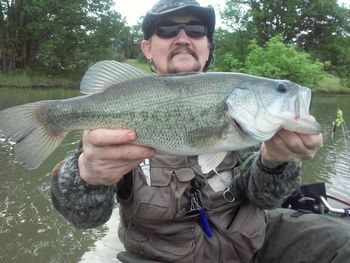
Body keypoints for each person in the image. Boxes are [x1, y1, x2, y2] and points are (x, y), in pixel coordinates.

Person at [50, 0, 350, 262]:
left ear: (208, 46)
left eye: (196, 30)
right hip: (160, 255)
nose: (183, 37)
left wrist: (276, 161)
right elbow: (84, 218)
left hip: (252, 244)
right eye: (167, 30)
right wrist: (88, 174)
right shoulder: (119, 108)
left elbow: (264, 199)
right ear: (147, 49)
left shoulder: (247, 121)